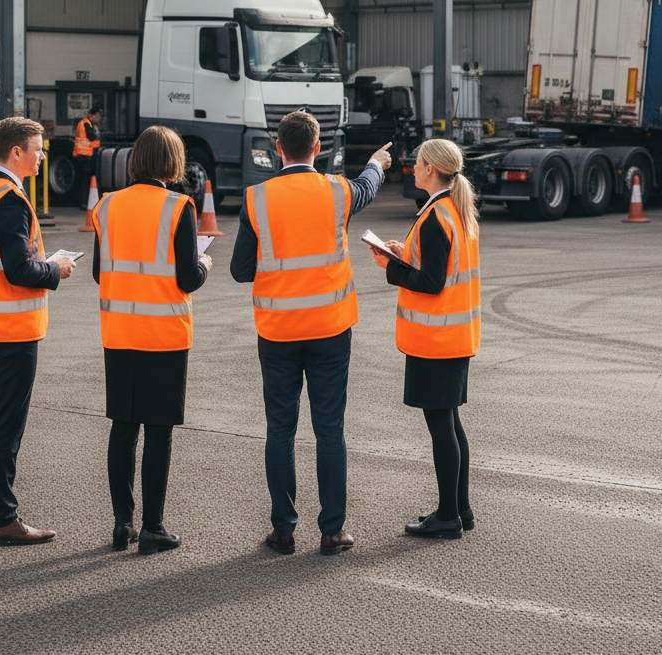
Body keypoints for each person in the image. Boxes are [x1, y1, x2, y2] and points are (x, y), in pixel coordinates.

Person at [230, 111, 392, 556]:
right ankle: (332, 530)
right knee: (329, 429)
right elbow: (368, 187)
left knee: (280, 430)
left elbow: (241, 270)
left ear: (277, 149)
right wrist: (376, 162)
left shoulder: (256, 199)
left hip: (278, 331)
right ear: (318, 148)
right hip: (330, 329)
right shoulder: (338, 191)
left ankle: (283, 530)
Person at [0, 117, 76, 546]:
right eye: (38, 149)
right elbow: (19, 268)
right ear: (17, 152)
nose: (43, 156)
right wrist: (56, 268)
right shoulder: (9, 199)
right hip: (10, 327)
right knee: (5, 424)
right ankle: (2, 517)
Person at [92, 125, 211, 555]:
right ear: (172, 163)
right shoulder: (180, 206)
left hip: (119, 331)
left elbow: (97, 273)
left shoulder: (105, 206)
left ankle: (121, 524)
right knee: (158, 432)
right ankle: (152, 526)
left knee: (123, 428)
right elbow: (185, 278)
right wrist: (204, 263)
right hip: (164, 334)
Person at [371, 138, 481, 541]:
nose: (412, 169)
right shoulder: (455, 211)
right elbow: (442, 269)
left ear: (431, 170)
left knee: (441, 426)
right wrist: (406, 256)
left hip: (435, 339)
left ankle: (448, 515)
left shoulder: (436, 216)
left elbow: (431, 283)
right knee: (451, 423)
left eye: (417, 164)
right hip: (455, 336)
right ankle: (460, 509)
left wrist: (391, 266)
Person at [73, 105, 103, 209]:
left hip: (89, 156)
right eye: (98, 115)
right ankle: (82, 202)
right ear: (91, 115)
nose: (99, 118)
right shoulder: (85, 123)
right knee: (84, 181)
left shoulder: (93, 126)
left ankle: (86, 201)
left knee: (88, 180)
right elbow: (92, 138)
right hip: (83, 156)